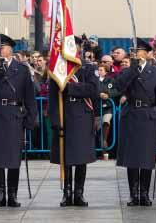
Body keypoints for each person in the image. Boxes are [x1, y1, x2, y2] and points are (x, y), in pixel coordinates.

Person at [0, 34, 37, 208]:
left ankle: (12, 195)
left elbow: (30, 97)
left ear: (10, 49)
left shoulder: (22, 69)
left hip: (14, 114)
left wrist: (31, 119)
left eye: (1, 47)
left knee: (12, 157)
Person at [113, 38, 156, 206]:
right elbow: (118, 87)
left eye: (139, 50)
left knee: (146, 158)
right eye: (134, 51)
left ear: (146, 53)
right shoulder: (129, 70)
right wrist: (132, 69)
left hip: (148, 116)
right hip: (131, 116)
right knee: (132, 158)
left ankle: (144, 193)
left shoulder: (155, 72)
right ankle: (133, 194)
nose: (135, 53)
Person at [48, 37, 99, 207]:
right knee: (66, 157)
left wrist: (71, 88)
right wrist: (55, 120)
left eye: (74, 47)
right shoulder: (59, 68)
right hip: (65, 116)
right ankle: (67, 192)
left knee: (81, 157)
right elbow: (53, 97)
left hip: (83, 116)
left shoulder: (88, 68)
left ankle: (79, 193)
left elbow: (93, 89)